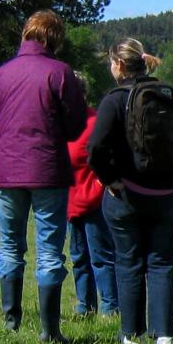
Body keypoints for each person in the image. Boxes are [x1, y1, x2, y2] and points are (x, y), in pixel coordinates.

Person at [88, 38, 173, 344]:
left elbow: (95, 149)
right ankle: (165, 340)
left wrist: (110, 179)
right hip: (168, 196)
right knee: (160, 263)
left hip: (126, 197)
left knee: (128, 263)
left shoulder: (115, 100)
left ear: (118, 65)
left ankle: (131, 339)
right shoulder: (169, 95)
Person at [0, 10, 87, 343]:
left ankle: (11, 323)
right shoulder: (60, 73)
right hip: (47, 171)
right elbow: (74, 127)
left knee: (10, 246)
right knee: (49, 250)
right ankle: (49, 331)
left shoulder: (0, 75)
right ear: (54, 38)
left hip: (8, 170)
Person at [67, 76, 119, 318]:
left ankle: (111, 307)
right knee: (78, 257)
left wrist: (102, 183)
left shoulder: (95, 122)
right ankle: (84, 307)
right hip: (69, 201)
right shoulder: (60, 125)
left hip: (94, 199)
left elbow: (110, 155)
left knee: (101, 257)